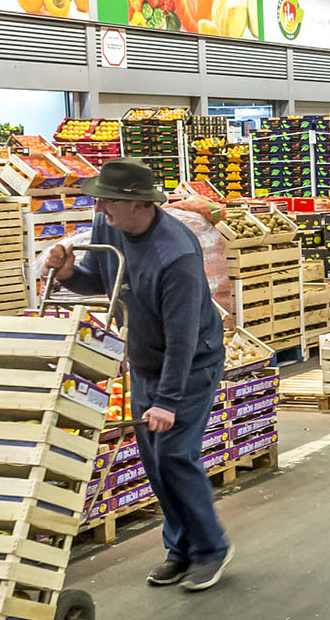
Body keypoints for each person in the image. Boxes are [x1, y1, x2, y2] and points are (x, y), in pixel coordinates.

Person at [47, 159, 232, 592]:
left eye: (108, 200)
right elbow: (102, 282)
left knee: (175, 456)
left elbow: (183, 336)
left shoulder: (177, 254)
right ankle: (180, 550)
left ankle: (211, 549)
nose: (100, 207)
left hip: (191, 363)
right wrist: (69, 273)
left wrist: (167, 400)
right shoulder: (108, 225)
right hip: (145, 360)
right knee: (154, 461)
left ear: (139, 204)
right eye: (100, 199)